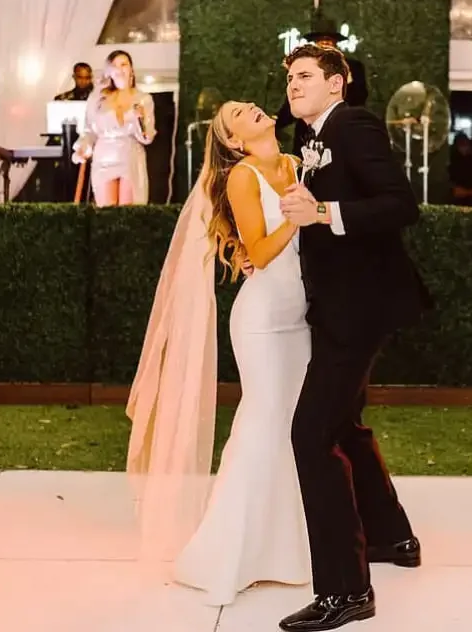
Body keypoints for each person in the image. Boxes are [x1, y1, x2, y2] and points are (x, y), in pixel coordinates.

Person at [125, 99, 311, 606]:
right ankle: (223, 554)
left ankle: (283, 552)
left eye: (249, 104)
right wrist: (301, 215)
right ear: (232, 141)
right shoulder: (243, 177)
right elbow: (260, 251)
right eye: (238, 114)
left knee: (291, 430)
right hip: (262, 321)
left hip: (301, 320)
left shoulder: (297, 164)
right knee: (259, 423)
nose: (251, 108)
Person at [276, 42, 429, 631]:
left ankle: (346, 591)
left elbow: (400, 205)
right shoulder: (307, 137)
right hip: (338, 305)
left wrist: (325, 214)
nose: (293, 84)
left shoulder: (354, 123)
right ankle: (393, 538)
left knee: (311, 434)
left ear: (337, 83)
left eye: (306, 75)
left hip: (361, 307)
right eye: (290, 76)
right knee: (344, 425)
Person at [276, 16, 368, 155]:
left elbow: (359, 99)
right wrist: (273, 123)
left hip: (342, 129)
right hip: (307, 133)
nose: (325, 44)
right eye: (320, 41)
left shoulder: (353, 67)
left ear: (335, 44)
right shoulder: (304, 67)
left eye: (329, 41)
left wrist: (347, 78)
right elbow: (293, 103)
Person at [73, 50, 155, 206]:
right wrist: (83, 147)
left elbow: (147, 137)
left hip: (130, 157)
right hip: (104, 158)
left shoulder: (143, 99)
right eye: (114, 65)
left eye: (124, 64)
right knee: (106, 212)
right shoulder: (97, 99)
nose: (119, 69)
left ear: (131, 69)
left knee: (128, 213)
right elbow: (89, 130)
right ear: (108, 71)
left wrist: (139, 118)